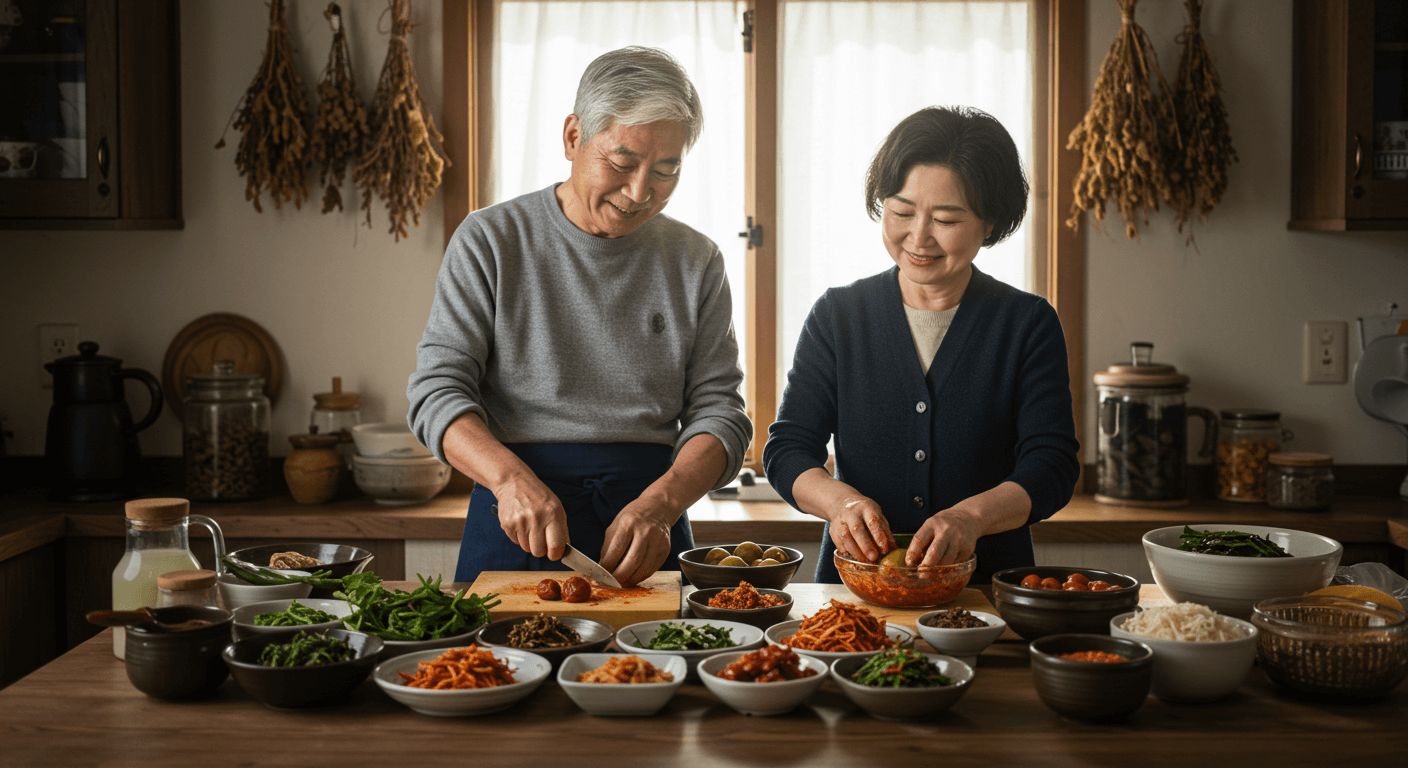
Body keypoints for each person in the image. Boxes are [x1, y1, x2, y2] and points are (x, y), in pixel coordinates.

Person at [408, 46, 752, 587]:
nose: (640, 192)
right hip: (517, 515)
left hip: (650, 520)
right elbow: (437, 393)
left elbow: (722, 414)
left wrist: (664, 502)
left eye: (666, 169)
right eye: (621, 162)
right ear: (573, 137)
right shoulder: (490, 240)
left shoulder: (696, 259)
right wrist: (508, 479)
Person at [762, 106, 1080, 584]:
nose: (918, 237)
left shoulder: (1026, 323)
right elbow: (788, 448)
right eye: (902, 211)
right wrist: (840, 503)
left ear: (989, 223)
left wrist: (972, 518)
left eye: (946, 219)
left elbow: (1051, 466)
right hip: (856, 588)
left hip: (987, 591)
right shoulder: (839, 315)